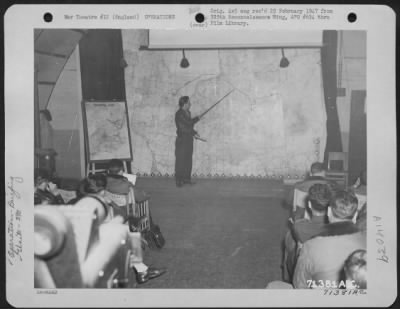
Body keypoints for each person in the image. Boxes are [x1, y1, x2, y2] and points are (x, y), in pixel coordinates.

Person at [292, 190, 366, 288]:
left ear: (329, 211)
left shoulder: (311, 245)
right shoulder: (368, 240)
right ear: (355, 215)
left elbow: (299, 284)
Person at [283, 183, 331, 281]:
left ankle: (287, 277)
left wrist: (294, 224)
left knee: (289, 240)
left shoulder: (299, 225)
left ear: (309, 204)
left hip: (304, 269)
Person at [174, 96, 202, 187]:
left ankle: (186, 179)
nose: (190, 104)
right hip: (182, 140)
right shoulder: (179, 114)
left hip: (189, 140)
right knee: (180, 161)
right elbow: (183, 127)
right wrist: (197, 119)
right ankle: (179, 180)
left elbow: (189, 125)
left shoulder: (188, 112)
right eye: (189, 103)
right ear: (185, 104)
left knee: (188, 160)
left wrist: (194, 133)